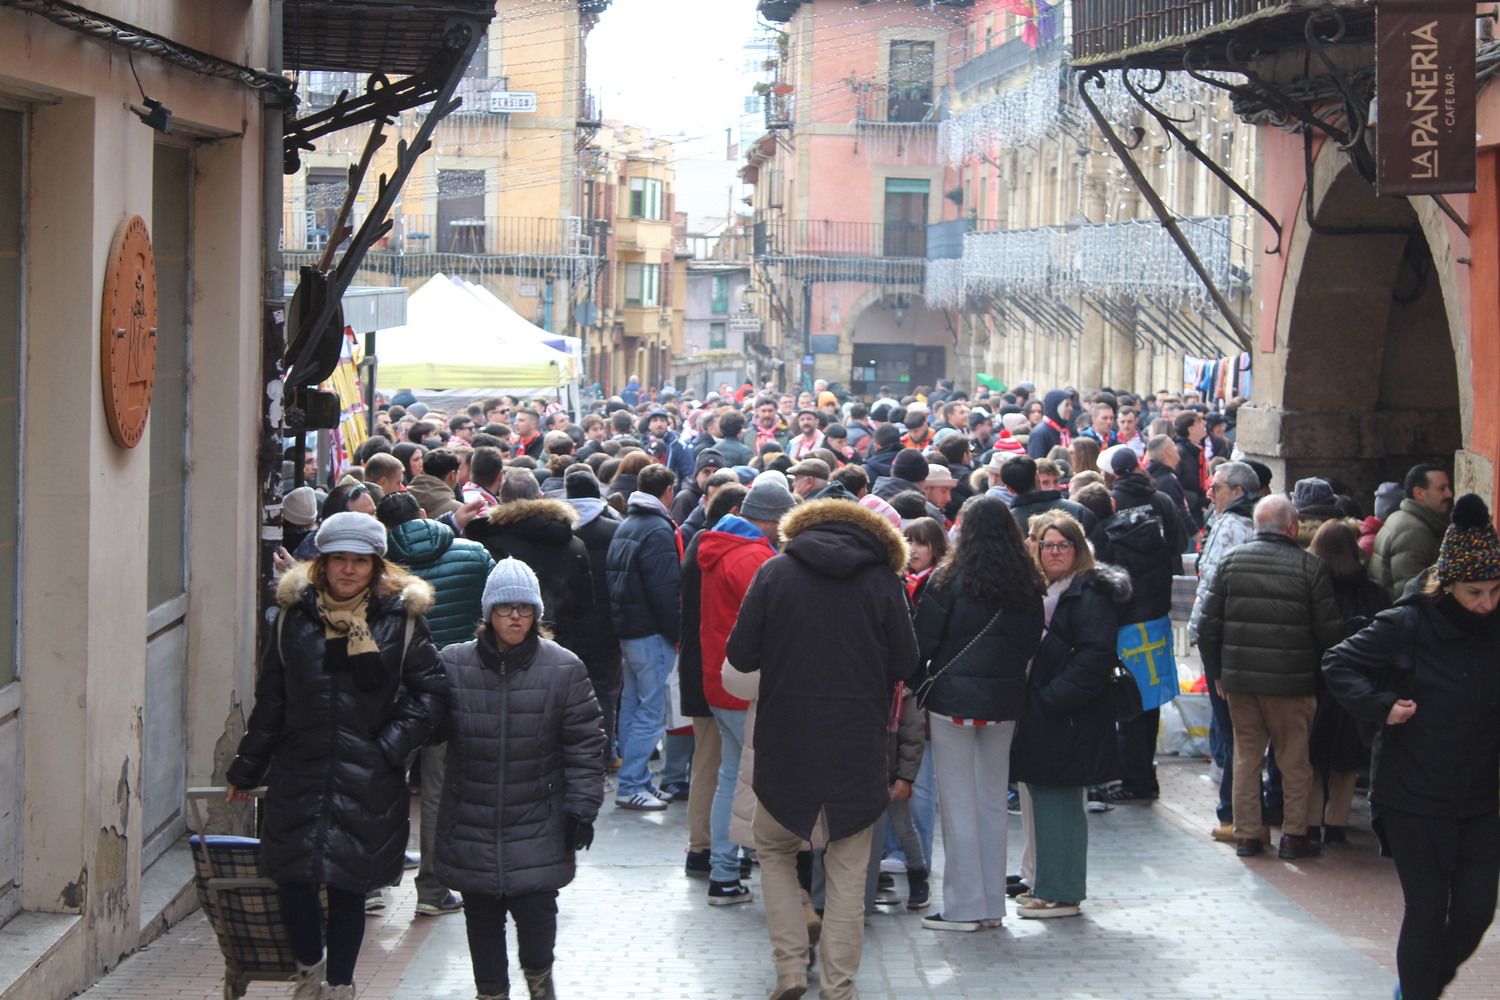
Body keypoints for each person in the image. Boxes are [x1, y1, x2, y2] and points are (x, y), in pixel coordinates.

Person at [226, 512, 447, 1000]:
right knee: (293, 878)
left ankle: (340, 985)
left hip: (368, 774)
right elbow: (273, 699)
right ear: (321, 564)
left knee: (350, 884)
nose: (349, 570)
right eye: (339, 560)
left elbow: (432, 695)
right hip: (299, 769)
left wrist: (388, 746)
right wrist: (247, 767)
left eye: (360, 561)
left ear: (376, 567)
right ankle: (310, 971)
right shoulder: (292, 619)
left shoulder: (400, 621)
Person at [725, 492, 919, 1000]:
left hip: (785, 742)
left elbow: (740, 655)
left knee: (774, 850)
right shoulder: (883, 581)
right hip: (857, 744)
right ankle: (839, 986)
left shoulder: (775, 573)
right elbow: (906, 663)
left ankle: (790, 968)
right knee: (849, 872)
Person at [1324, 494, 1500, 1000]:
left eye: (1495, 591)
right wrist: (1382, 706)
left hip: (1479, 794)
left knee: (1475, 911)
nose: (1487, 604)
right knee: (1426, 908)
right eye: (1475, 592)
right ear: (1447, 584)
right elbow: (1339, 663)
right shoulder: (1409, 622)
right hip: (1413, 792)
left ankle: (1417, 988)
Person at [434, 559, 604, 1000]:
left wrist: (581, 808)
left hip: (539, 817)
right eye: (505, 608)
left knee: (537, 917)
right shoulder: (452, 664)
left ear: (536, 613)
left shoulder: (563, 668)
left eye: (524, 608)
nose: (515, 617)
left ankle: (540, 983)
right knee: (481, 921)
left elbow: (585, 744)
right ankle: (491, 993)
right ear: (488, 612)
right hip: (471, 817)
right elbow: (427, 726)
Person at [913, 496, 1045, 931]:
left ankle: (963, 905)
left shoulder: (947, 579)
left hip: (953, 701)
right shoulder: (1028, 583)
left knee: (958, 803)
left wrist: (918, 682)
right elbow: (1030, 645)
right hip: (1004, 701)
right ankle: (990, 905)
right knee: (991, 801)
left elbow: (923, 641)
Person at [1197, 495, 1343, 860]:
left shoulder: (1231, 562)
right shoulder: (1310, 567)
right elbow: (1329, 632)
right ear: (1292, 528)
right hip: (1292, 683)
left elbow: (1207, 625)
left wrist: (1217, 672)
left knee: (1246, 757)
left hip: (1241, 683)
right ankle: (1294, 835)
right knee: (1294, 760)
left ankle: (1247, 835)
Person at [380, 493, 495, 919]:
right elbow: (493, 615)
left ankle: (370, 883)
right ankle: (432, 888)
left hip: (392, 695)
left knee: (380, 786)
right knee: (439, 792)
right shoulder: (474, 555)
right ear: (425, 515)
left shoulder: (377, 565)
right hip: (453, 689)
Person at [1010, 511, 1128, 919]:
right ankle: (1050, 885)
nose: (1055, 552)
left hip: (1068, 715)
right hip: (1049, 711)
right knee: (1047, 799)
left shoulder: (1088, 592)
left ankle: (1060, 892)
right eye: (1048, 545)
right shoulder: (1049, 590)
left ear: (1079, 550)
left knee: (1059, 801)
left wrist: (1050, 699)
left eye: (1064, 545)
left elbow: (1095, 657)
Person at [697, 480, 795, 905]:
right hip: (747, 687)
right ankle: (736, 866)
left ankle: (725, 867)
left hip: (719, 680)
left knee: (731, 776)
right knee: (759, 780)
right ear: (774, 519)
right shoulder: (755, 558)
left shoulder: (721, 546)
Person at [1188, 461, 1261, 841]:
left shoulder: (1231, 526)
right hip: (1244, 640)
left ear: (1237, 491)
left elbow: (1211, 590)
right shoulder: (1245, 523)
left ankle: (1234, 813)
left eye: (1216, 487)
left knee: (1236, 732)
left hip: (1227, 643)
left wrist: (1201, 635)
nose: (1210, 493)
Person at [1306, 519, 1390, 844]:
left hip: (1315, 681)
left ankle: (1310, 820)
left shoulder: (1311, 588)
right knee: (1346, 756)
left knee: (1312, 755)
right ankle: (1336, 823)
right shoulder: (1372, 593)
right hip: (1357, 683)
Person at [604, 463, 682, 811]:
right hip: (650, 632)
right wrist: (676, 632)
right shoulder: (657, 528)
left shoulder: (629, 523)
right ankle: (632, 783)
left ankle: (637, 780)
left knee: (634, 706)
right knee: (651, 711)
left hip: (630, 629)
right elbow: (664, 589)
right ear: (668, 491)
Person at [1370, 463, 1455, 598]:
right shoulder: (1413, 532)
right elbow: (1411, 593)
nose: (1449, 494)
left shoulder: (1403, 519)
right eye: (1441, 489)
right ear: (1419, 493)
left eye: (1448, 488)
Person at [903, 517, 947, 604]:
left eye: (920, 544)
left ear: (936, 547)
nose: (912, 550)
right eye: (909, 542)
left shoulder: (941, 583)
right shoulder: (900, 577)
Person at [1026, 390, 1073, 459]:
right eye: (1066, 405)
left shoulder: (1063, 430)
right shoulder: (1040, 433)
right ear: (1056, 407)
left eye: (1071, 405)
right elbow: (1037, 462)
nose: (1071, 408)